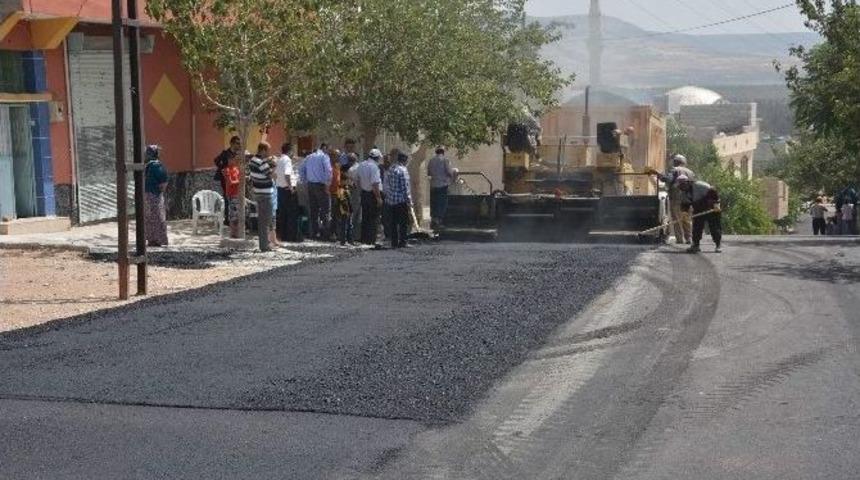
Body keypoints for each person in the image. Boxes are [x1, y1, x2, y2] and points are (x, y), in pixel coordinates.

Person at [649, 154, 696, 244]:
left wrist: (657, 174)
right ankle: (689, 238)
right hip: (689, 200)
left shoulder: (674, 170)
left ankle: (679, 239)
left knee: (677, 220)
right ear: (684, 162)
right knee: (687, 219)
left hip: (677, 199)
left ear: (676, 162)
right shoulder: (691, 172)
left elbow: (667, 179)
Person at [677, 176, 722, 254]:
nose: (682, 186)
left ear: (688, 182)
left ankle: (718, 245)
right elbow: (685, 204)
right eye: (680, 185)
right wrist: (684, 213)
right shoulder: (684, 193)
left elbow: (713, 192)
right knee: (696, 228)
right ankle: (696, 245)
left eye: (683, 184)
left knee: (714, 228)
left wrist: (716, 203)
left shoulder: (699, 185)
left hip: (711, 209)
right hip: (699, 209)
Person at [299, 143, 333, 240]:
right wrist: (327, 184)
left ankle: (314, 233)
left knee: (313, 210)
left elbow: (301, 169)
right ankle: (325, 234)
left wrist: (305, 181)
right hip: (321, 186)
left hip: (310, 185)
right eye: (328, 150)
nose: (329, 152)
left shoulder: (308, 157)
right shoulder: (324, 157)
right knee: (325, 210)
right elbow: (328, 171)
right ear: (324, 148)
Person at [249, 142, 276, 252]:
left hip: (257, 192)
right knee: (267, 219)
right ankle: (265, 245)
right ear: (263, 150)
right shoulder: (262, 163)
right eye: (268, 150)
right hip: (265, 194)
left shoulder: (252, 161)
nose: (269, 153)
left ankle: (264, 244)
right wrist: (274, 165)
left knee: (262, 219)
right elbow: (272, 175)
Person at [383, 152, 413, 249]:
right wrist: (409, 200)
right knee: (403, 222)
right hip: (401, 200)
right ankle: (403, 241)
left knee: (393, 223)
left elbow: (387, 183)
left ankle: (394, 242)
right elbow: (405, 187)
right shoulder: (403, 170)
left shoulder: (391, 169)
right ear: (405, 161)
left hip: (391, 200)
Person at [356, 149, 384, 245]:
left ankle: (364, 238)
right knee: (374, 218)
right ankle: (371, 239)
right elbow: (375, 184)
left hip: (364, 193)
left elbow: (358, 180)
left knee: (365, 217)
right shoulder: (374, 167)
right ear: (377, 157)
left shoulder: (362, 164)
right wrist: (378, 198)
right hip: (373, 194)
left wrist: (361, 192)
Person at [144, 145, 169, 247]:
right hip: (155, 195)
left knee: (149, 217)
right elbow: (163, 182)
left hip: (146, 194)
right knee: (158, 217)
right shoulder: (157, 166)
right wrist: (161, 191)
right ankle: (159, 240)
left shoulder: (147, 166)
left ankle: (151, 239)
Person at [214, 136, 242, 226]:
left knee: (235, 198)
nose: (239, 145)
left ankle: (235, 217)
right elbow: (216, 161)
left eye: (239, 143)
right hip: (226, 178)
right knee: (227, 197)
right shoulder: (225, 153)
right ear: (232, 143)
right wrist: (223, 169)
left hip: (236, 178)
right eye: (237, 143)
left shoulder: (238, 154)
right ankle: (227, 219)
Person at [427, 147, 456, 230]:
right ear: (443, 152)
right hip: (442, 185)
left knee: (434, 204)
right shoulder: (445, 160)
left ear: (436, 152)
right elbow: (449, 172)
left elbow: (429, 172)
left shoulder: (431, 160)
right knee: (441, 204)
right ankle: (439, 222)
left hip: (433, 185)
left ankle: (433, 221)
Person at [222, 151, 242, 238]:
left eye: (233, 159)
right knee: (233, 214)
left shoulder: (236, 169)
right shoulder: (227, 170)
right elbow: (230, 182)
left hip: (237, 194)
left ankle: (236, 232)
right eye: (230, 159)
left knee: (237, 214)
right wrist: (240, 181)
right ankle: (232, 233)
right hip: (231, 194)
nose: (232, 161)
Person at [328, 148, 343, 240]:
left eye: (338, 156)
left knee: (338, 214)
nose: (337, 157)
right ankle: (331, 233)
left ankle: (337, 233)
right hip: (330, 193)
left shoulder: (338, 166)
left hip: (338, 193)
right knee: (332, 215)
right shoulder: (328, 166)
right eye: (336, 155)